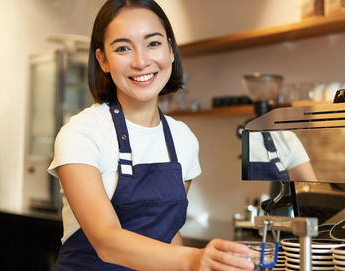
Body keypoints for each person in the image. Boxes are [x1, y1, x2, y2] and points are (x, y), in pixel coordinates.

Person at [47, 1, 255, 270]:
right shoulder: (82, 133)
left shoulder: (183, 139)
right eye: (123, 48)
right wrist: (194, 259)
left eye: (153, 43)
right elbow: (105, 240)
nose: (141, 61)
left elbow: (168, 234)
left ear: (170, 50)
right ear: (103, 61)